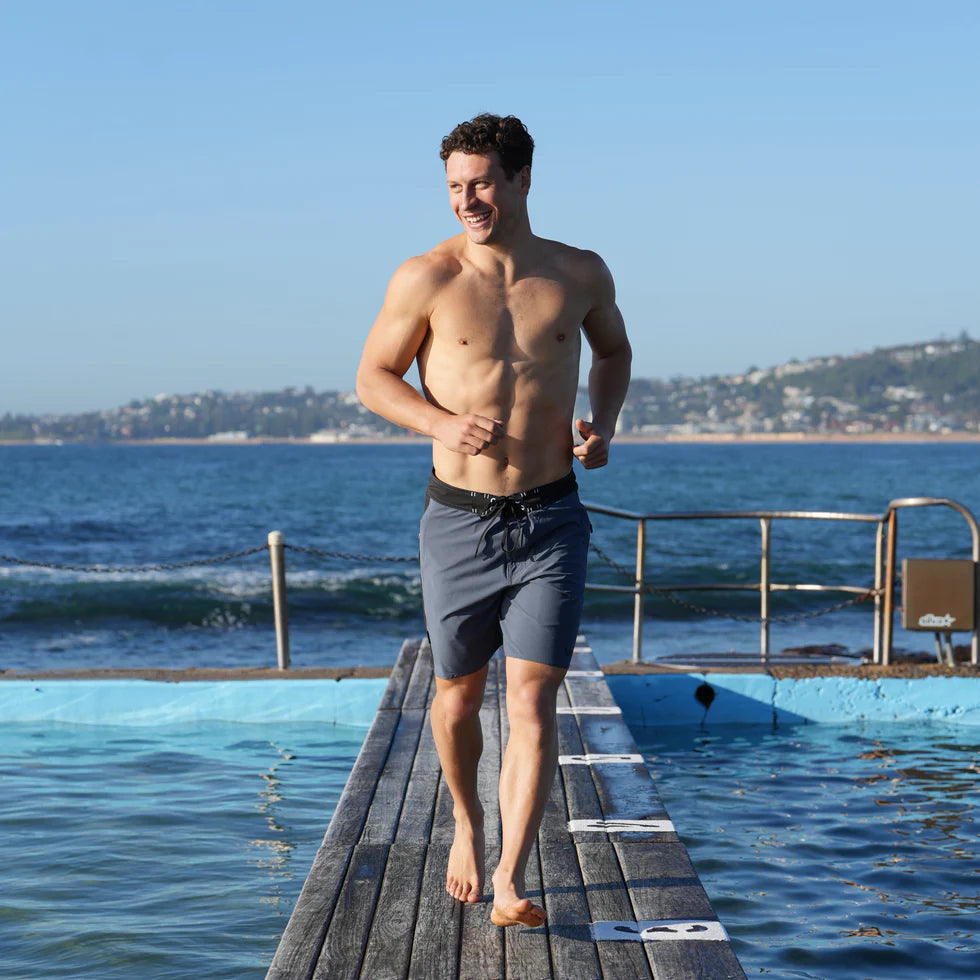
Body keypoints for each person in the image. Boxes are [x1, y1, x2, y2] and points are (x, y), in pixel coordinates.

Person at [356, 113, 631, 928]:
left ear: (521, 179)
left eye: (479, 182)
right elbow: (373, 377)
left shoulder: (579, 273)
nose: (466, 200)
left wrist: (602, 423)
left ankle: (511, 877)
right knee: (455, 700)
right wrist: (439, 424)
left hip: (551, 517)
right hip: (460, 522)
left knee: (535, 702)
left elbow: (613, 353)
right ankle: (467, 829)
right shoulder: (426, 277)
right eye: (453, 186)